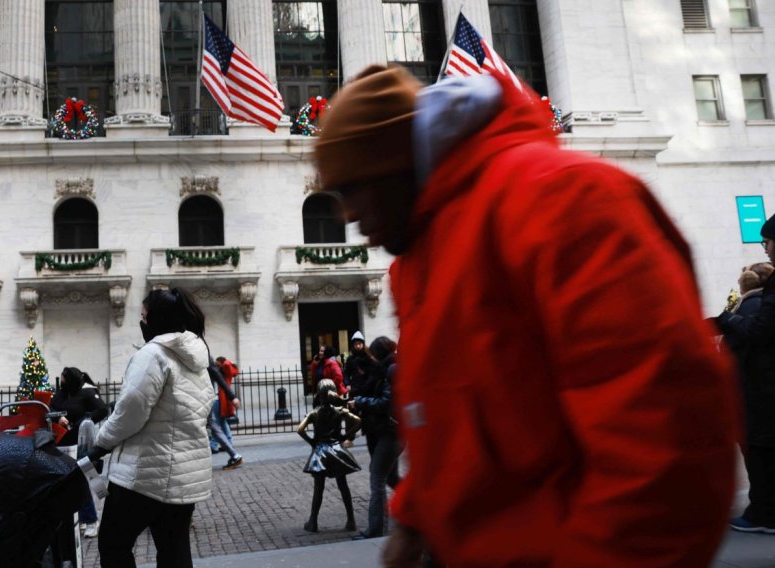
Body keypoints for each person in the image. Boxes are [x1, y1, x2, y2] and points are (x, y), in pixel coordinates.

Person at [315, 64, 740, 566]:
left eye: (351, 189)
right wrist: (415, 518)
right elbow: (449, 421)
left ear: (394, 163)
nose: (346, 216)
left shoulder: (567, 201)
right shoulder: (417, 263)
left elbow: (665, 447)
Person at [90, 287, 216, 567]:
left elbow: (130, 411)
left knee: (113, 544)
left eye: (144, 316)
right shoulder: (196, 360)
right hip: (184, 478)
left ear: (157, 320)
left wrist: (101, 440)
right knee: (174, 551)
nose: (142, 323)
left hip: (144, 476)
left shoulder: (153, 355)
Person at [713, 221, 775, 535]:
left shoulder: (752, 306)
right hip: (761, 389)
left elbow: (756, 334)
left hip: (760, 391)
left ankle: (762, 513)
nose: (765, 247)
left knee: (760, 452)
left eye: (767, 241)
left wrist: (723, 319)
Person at [348, 335, 402, 540]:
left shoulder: (391, 370)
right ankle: (420, 508)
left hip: (390, 432)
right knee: (391, 477)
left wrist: (360, 401)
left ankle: (376, 528)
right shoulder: (385, 369)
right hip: (387, 431)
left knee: (377, 477)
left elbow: (385, 403)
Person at [49, 366, 109, 538]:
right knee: (83, 476)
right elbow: (50, 407)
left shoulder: (88, 391)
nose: (62, 385)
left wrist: (84, 420)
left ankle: (94, 515)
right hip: (65, 441)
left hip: (83, 441)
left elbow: (102, 410)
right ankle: (92, 513)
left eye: (64, 380)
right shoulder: (63, 392)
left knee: (87, 475)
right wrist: (58, 417)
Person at [297, 378, 361, 533]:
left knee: (319, 488)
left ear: (319, 394)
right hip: (337, 450)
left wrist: (312, 442)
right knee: (343, 485)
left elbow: (300, 429)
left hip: (320, 451)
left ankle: (313, 522)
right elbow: (358, 421)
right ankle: (351, 520)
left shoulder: (314, 413)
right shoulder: (339, 410)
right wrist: (345, 437)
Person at [208, 355, 243, 470]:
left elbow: (228, 366)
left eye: (217, 362)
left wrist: (218, 363)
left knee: (216, 424)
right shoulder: (220, 371)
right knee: (220, 423)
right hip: (220, 400)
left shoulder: (225, 369)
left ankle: (216, 445)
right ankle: (227, 444)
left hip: (220, 400)